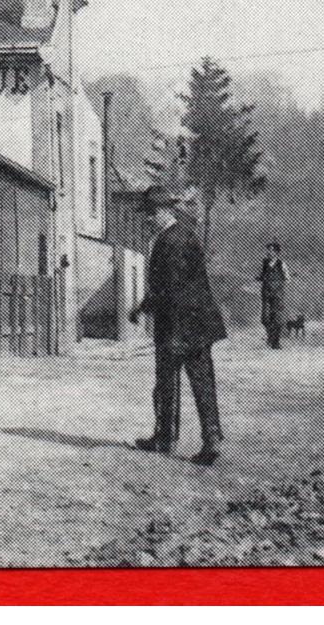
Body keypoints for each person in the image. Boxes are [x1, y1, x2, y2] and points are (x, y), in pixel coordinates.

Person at [129, 186, 227, 465]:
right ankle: (211, 439)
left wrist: (143, 308)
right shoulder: (184, 235)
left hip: (177, 324)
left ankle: (166, 438)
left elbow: (168, 286)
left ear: (164, 212)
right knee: (201, 382)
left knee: (167, 382)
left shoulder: (170, 241)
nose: (146, 219)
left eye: (150, 214)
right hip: (196, 323)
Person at [259, 241, 290, 348]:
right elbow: (262, 275)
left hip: (277, 296)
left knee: (277, 319)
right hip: (266, 294)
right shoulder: (265, 263)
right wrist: (260, 278)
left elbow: (287, 279)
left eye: (271, 250)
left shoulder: (282, 264)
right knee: (265, 318)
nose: (268, 252)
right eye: (268, 250)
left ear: (276, 253)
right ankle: (270, 337)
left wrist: (277, 286)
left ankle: (275, 342)